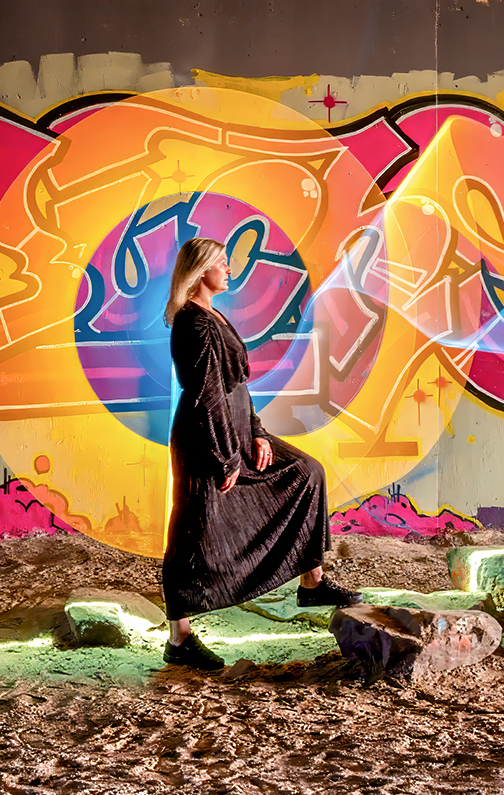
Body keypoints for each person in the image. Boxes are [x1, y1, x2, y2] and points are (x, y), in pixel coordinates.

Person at [161, 237, 361, 671]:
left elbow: (237, 387)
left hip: (233, 430)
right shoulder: (193, 324)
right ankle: (179, 640)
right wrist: (225, 457)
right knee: (192, 533)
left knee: (307, 473)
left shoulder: (214, 316)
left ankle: (312, 581)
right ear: (200, 272)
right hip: (206, 439)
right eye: (221, 264)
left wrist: (257, 433)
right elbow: (205, 396)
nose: (229, 269)